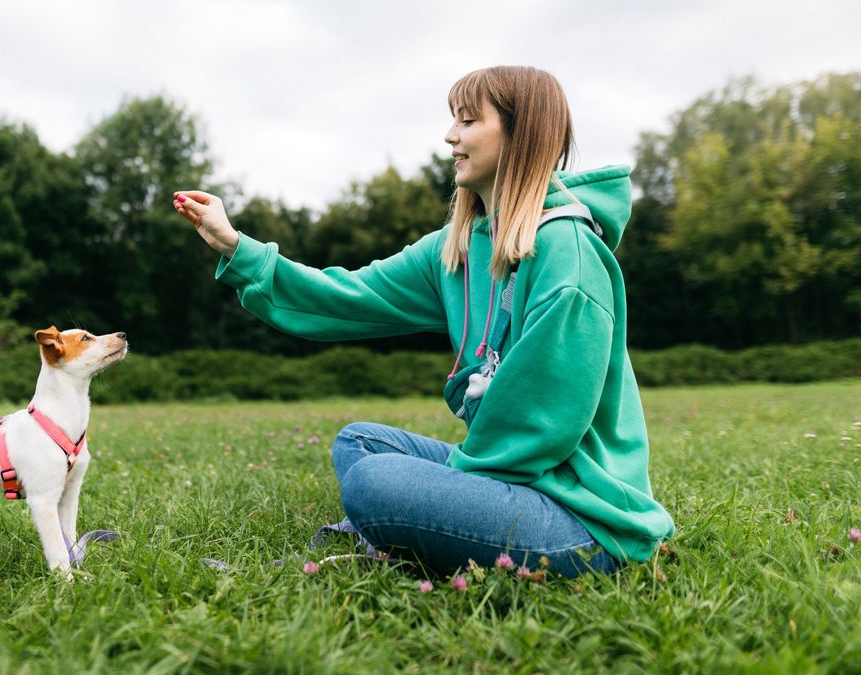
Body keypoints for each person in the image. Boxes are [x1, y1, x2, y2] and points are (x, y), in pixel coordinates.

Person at [172, 66, 673, 577]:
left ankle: (397, 531)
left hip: (583, 522)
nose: (450, 135)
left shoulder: (570, 256)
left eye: (468, 120)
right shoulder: (459, 248)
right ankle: (405, 531)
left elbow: (540, 422)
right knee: (359, 443)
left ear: (521, 132)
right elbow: (352, 295)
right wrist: (241, 249)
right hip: (520, 483)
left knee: (375, 484)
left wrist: (443, 485)